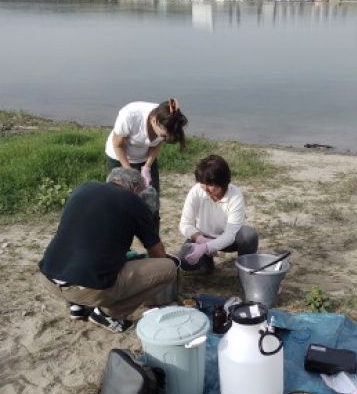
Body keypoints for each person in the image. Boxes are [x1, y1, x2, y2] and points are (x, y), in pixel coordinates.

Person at [38, 168, 176, 333]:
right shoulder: (133, 200)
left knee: (82, 251)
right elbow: (157, 253)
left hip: (49, 278)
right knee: (168, 268)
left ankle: (77, 307)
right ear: (136, 189)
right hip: (88, 289)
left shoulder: (84, 188)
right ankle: (108, 315)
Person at [105, 98, 188, 230]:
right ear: (154, 120)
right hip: (119, 156)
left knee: (151, 201)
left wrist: (147, 166)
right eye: (163, 135)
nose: (164, 138)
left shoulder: (169, 122)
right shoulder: (130, 115)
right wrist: (130, 172)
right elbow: (118, 145)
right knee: (118, 200)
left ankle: (152, 241)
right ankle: (118, 240)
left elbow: (156, 145)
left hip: (144, 158)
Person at [178, 154, 259, 272]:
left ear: (223, 182)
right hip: (202, 236)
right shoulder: (196, 191)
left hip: (228, 241)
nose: (205, 188)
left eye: (210, 184)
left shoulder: (235, 196)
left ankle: (245, 270)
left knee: (249, 236)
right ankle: (207, 263)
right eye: (202, 183)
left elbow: (230, 235)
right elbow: (185, 224)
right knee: (185, 260)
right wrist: (200, 239)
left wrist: (208, 247)